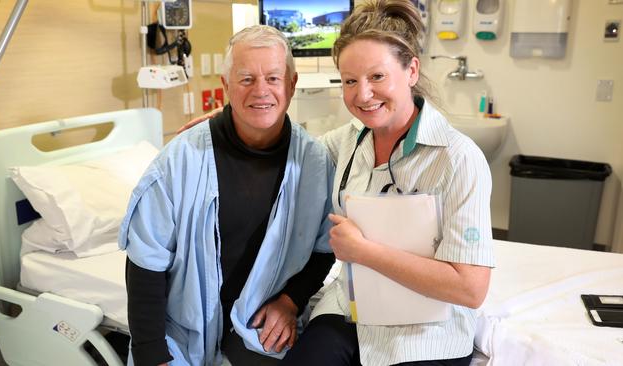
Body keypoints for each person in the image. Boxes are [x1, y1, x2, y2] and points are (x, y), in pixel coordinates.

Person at [179, 1, 494, 365]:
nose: (362, 94)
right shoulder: (345, 142)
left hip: (425, 330)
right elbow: (284, 143)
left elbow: (471, 289)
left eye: (377, 77)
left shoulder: (456, 159)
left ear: (411, 71)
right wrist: (233, 118)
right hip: (350, 313)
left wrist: (364, 252)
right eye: (350, 81)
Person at [119, 25, 335, 366]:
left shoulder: (314, 163)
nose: (260, 91)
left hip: (260, 326)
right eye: (246, 79)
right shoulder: (180, 160)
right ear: (226, 86)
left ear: (291, 85)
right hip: (180, 331)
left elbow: (325, 249)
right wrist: (151, 353)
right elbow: (146, 262)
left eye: (274, 79)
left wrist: (291, 301)